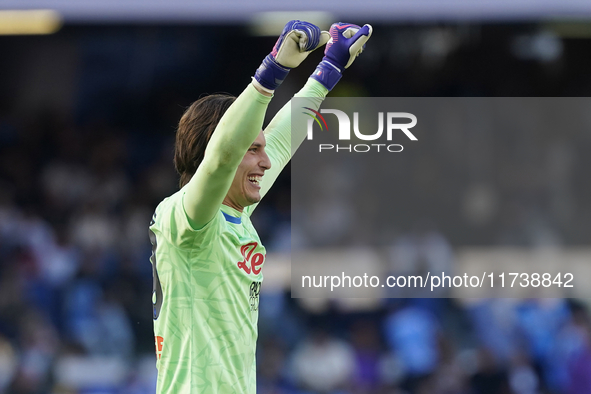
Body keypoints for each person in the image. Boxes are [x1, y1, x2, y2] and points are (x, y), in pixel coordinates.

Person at [148, 20, 372, 394]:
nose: (265, 162)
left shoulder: (232, 214)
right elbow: (222, 157)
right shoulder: (184, 218)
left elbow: (281, 145)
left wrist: (327, 71)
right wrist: (272, 71)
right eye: (253, 150)